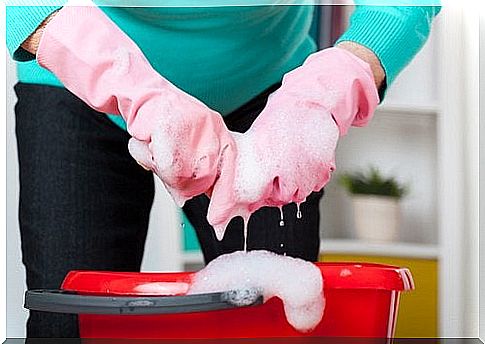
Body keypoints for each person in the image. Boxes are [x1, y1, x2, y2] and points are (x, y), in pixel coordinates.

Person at [6, 1, 440, 338]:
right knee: (66, 324)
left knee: (277, 325)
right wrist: (128, 84)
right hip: (76, 85)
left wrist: (336, 82)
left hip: (269, 99)